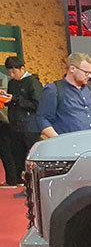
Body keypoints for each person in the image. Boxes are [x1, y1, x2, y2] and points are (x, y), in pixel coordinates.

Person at [37, 53, 91, 139]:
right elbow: (43, 119)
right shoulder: (54, 90)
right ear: (72, 69)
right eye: (86, 73)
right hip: (70, 143)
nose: (90, 76)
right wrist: (58, 139)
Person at [3, 56, 43, 184]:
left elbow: (37, 104)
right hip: (15, 124)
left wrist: (15, 99)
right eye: (9, 72)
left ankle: (36, 180)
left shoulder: (33, 82)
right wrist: (6, 99)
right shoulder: (12, 83)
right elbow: (12, 101)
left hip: (30, 126)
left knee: (31, 155)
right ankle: (21, 180)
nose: (12, 74)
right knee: (17, 155)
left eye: (14, 71)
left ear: (22, 68)